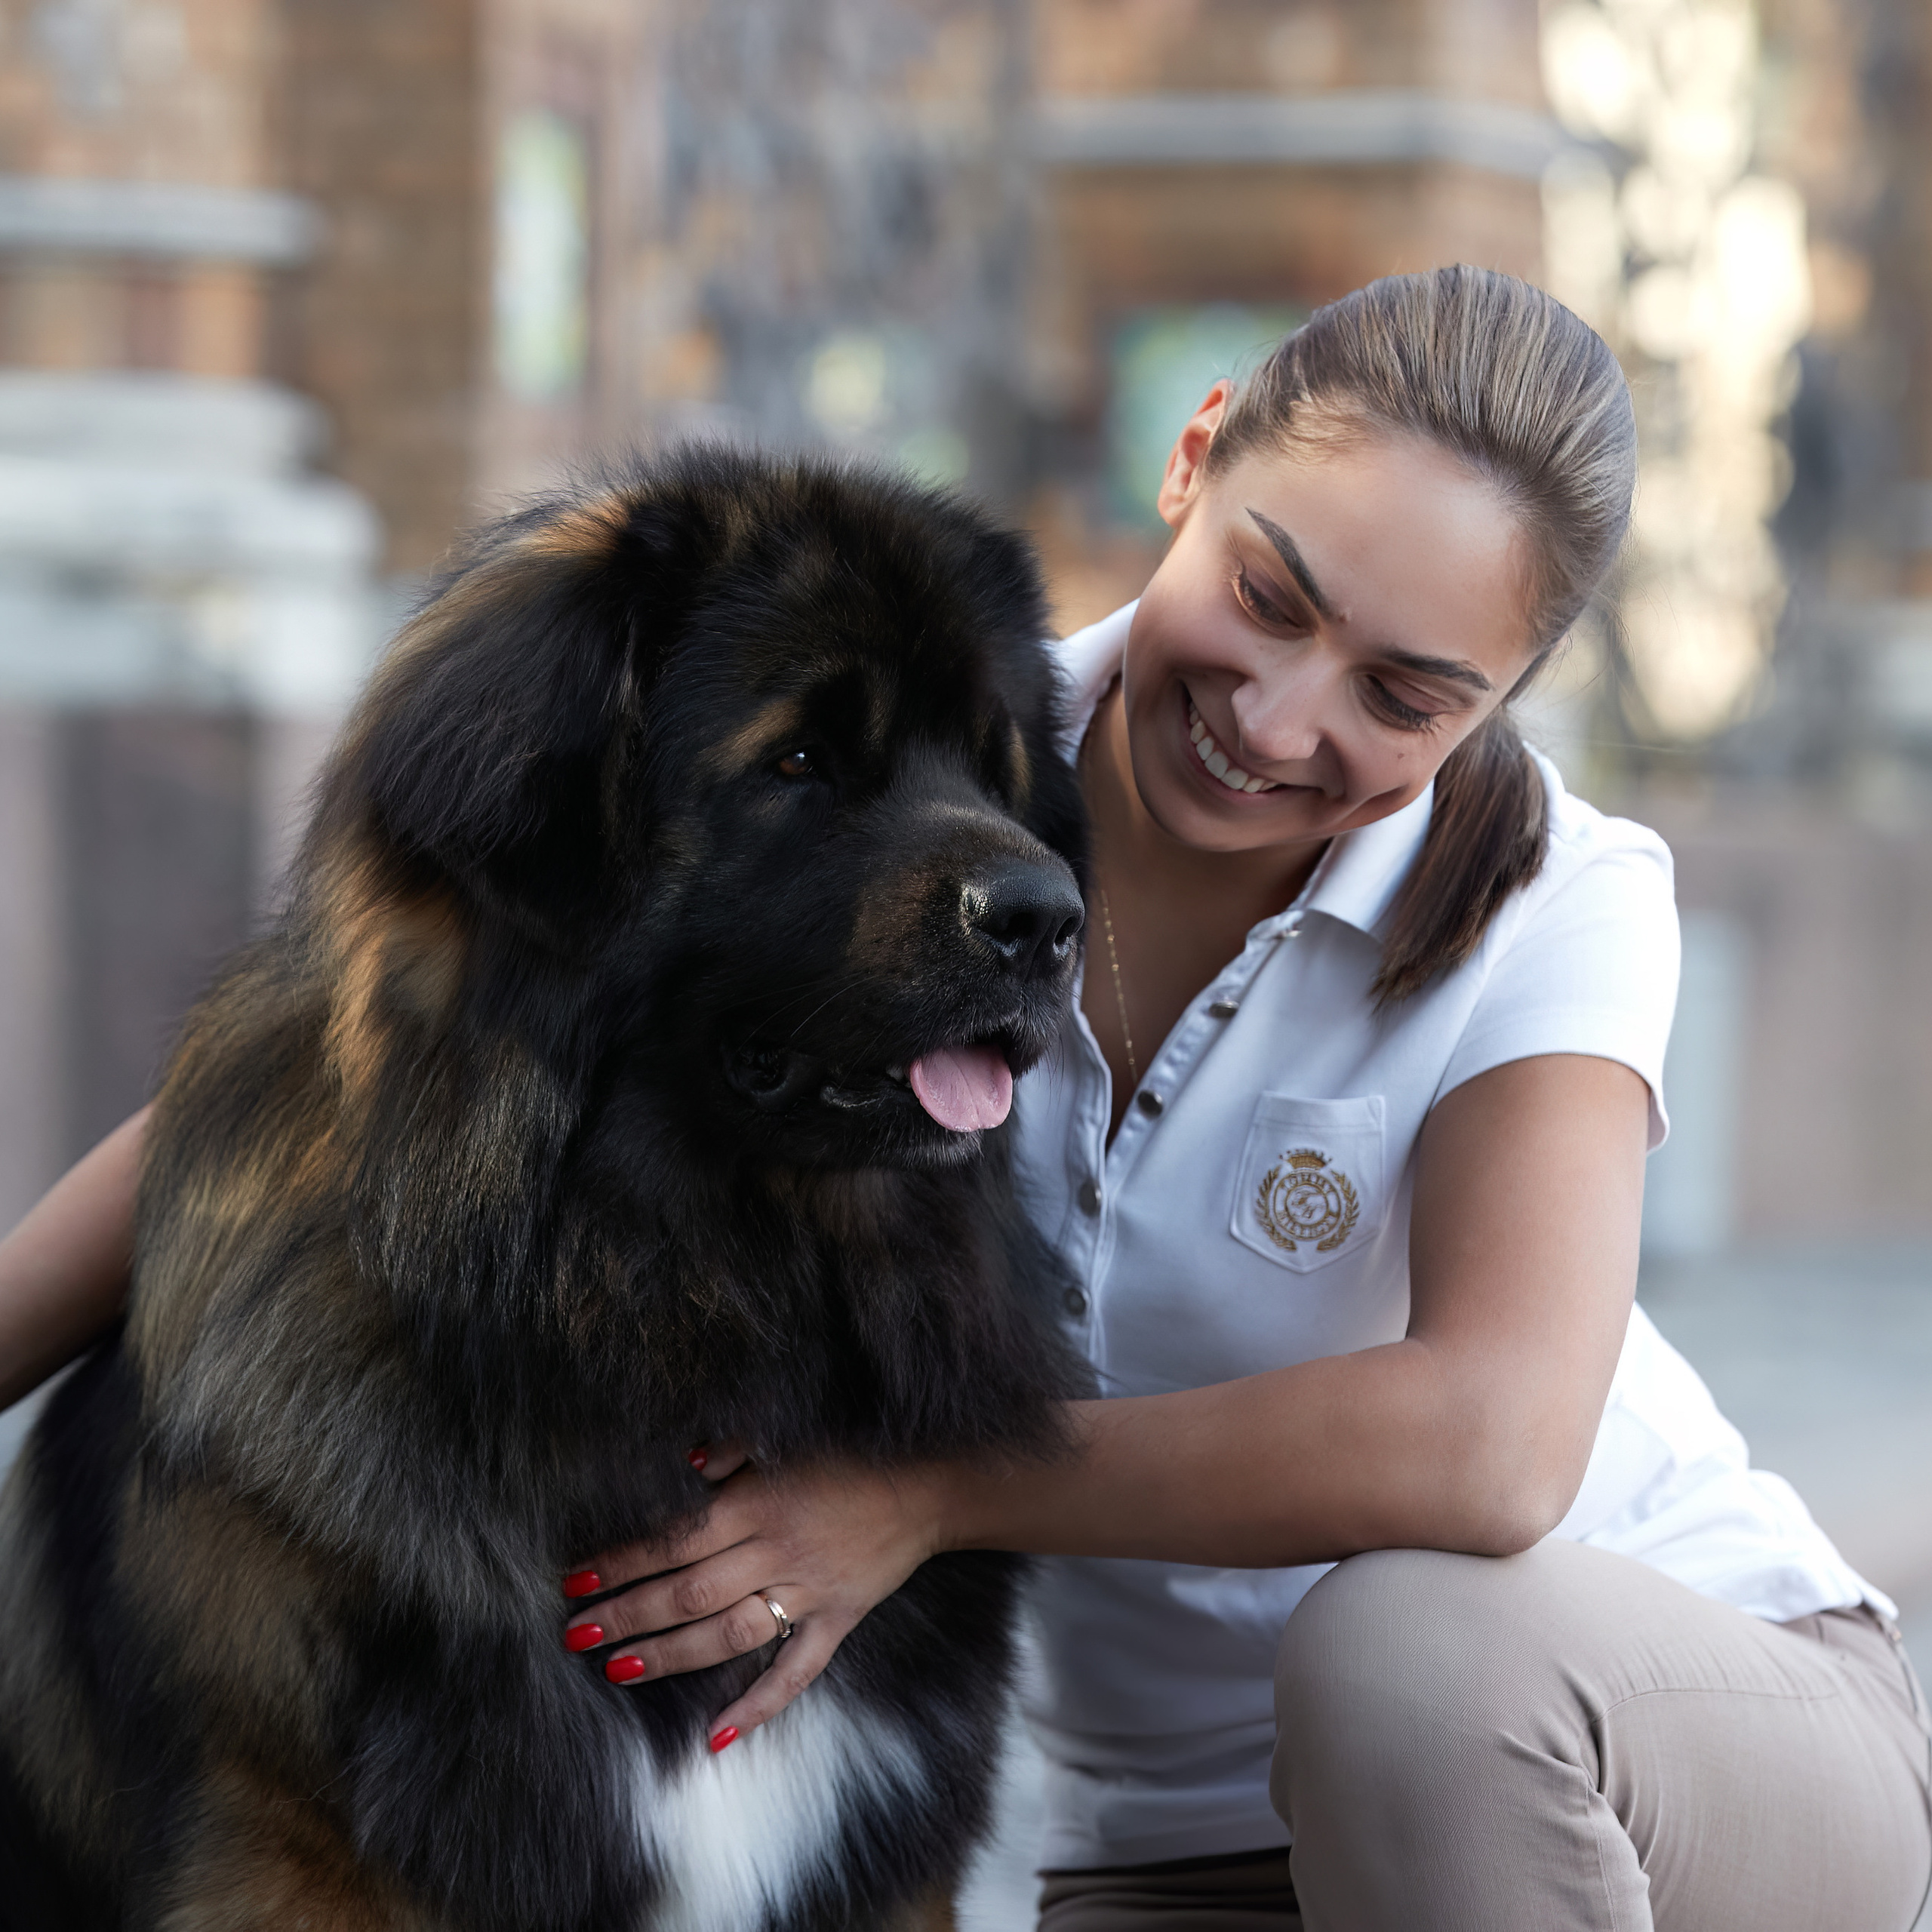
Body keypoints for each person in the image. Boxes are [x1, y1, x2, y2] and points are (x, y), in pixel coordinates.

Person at [2, 268, 1927, 1932]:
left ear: (1497, 706)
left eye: (1403, 693)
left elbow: (1492, 1447)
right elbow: (364, 1057)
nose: (1276, 716)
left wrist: (927, 1488)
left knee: (1416, 1659)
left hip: (1651, 1743)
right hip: (1177, 1846)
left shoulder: (1549, 899)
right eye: (1270, 594)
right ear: (1192, 460)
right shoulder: (958, 713)